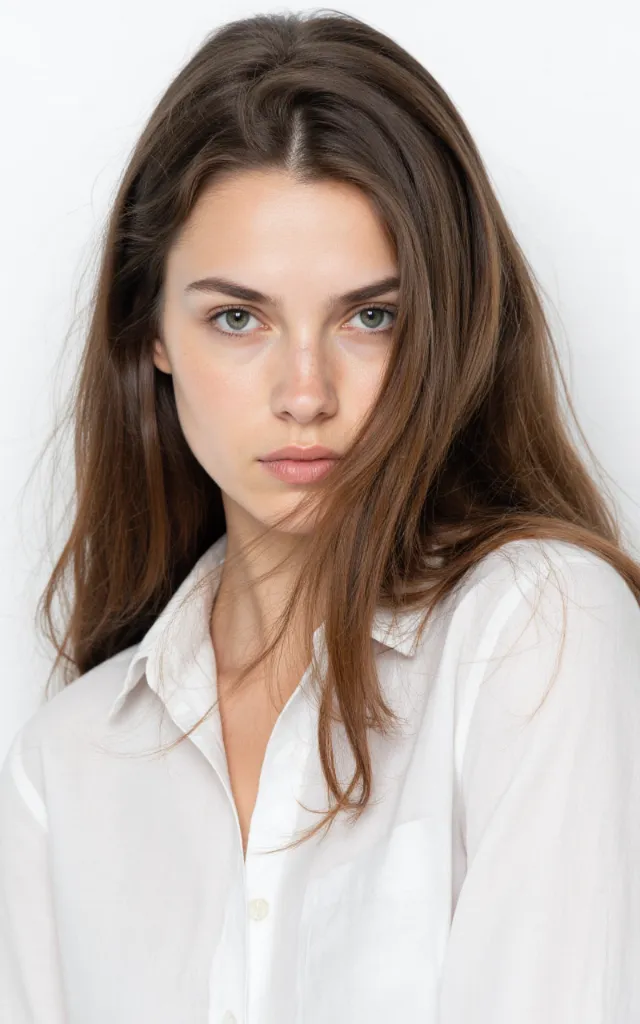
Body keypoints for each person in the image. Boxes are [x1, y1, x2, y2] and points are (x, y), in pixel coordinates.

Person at [1, 9, 639, 1023]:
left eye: (369, 316)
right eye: (237, 318)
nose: (307, 393)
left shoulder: (538, 634)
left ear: (446, 326)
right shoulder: (65, 766)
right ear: (151, 333)